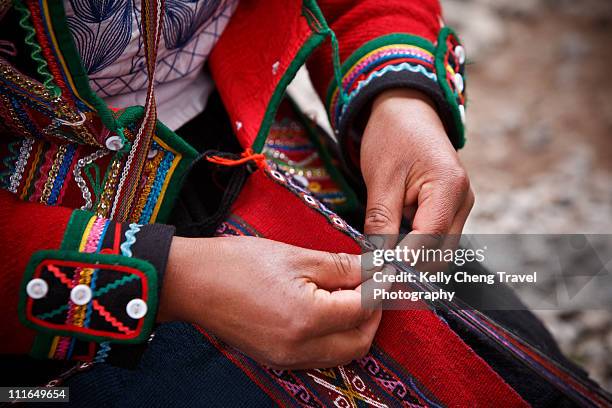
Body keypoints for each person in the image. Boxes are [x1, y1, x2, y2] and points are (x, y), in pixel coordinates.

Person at [0, 0, 601, 406]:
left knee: (515, 372)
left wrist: (398, 98)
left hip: (252, 148)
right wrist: (171, 280)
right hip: (42, 282)